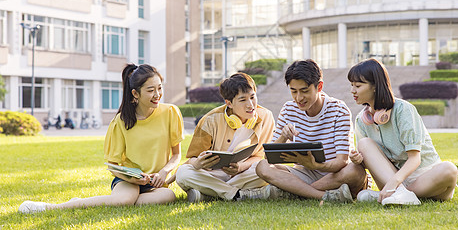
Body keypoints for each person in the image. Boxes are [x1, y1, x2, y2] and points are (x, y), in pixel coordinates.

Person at [19, 64, 184, 213]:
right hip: (129, 180)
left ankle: (109, 201)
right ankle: (55, 207)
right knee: (124, 200)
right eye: (150, 90)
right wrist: (132, 178)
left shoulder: (171, 112)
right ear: (135, 93)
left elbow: (176, 155)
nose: (157, 95)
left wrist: (164, 172)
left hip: (155, 184)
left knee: (168, 195)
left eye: (159, 88)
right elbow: (113, 166)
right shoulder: (121, 122)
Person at [348, 58, 458, 205]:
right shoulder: (362, 120)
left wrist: (393, 184)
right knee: (364, 143)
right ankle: (400, 194)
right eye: (351, 85)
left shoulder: (403, 110)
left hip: (425, 177)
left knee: (449, 169)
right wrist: (359, 161)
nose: (352, 90)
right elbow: (373, 163)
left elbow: (415, 158)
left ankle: (392, 194)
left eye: (358, 85)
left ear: (375, 86)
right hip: (391, 179)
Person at [256, 59, 367, 203]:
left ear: (319, 86)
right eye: (293, 91)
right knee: (262, 167)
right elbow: (268, 157)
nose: (299, 98)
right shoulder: (289, 109)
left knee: (355, 171)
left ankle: (296, 192)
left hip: (335, 175)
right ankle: (324, 196)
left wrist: (314, 165)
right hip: (304, 174)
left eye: (304, 91)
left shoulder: (339, 110)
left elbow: (342, 161)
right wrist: (283, 136)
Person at [175, 72, 275, 202]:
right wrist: (199, 163)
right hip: (212, 174)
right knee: (183, 173)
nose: (251, 105)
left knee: (267, 168)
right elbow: (193, 159)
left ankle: (208, 194)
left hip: (244, 173)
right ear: (229, 103)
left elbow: (258, 156)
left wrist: (240, 166)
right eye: (243, 100)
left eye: (252, 97)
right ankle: (237, 195)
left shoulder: (266, 117)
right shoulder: (210, 120)